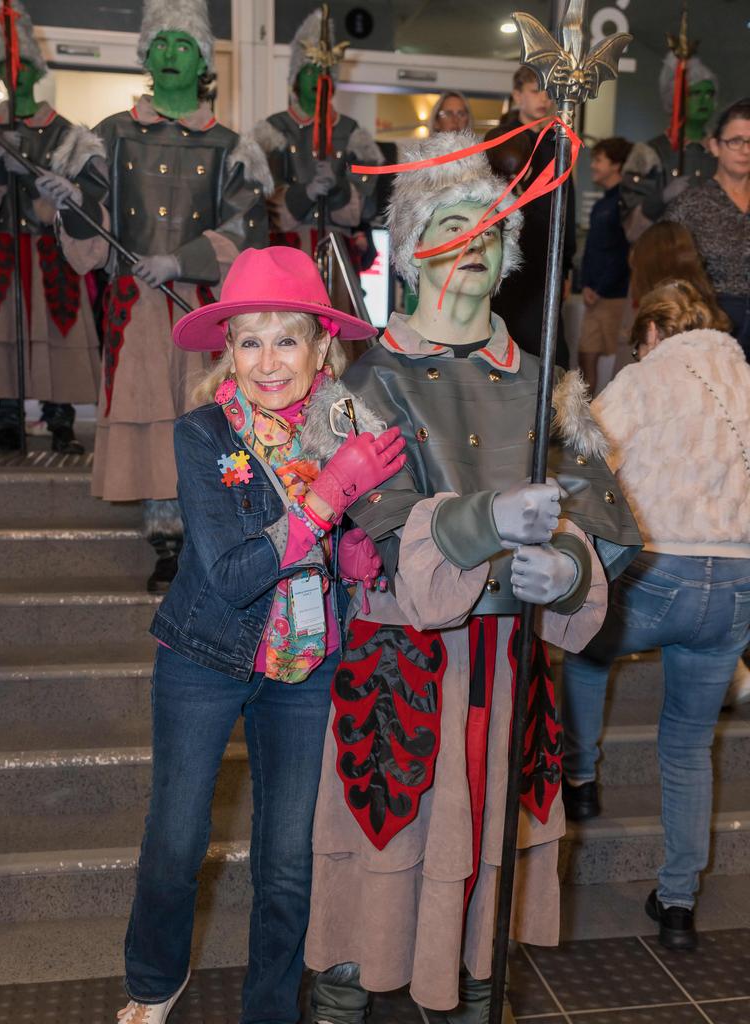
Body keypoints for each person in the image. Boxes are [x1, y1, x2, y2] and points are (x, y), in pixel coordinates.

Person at [303, 130, 640, 1024]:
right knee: (381, 854)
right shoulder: (359, 386)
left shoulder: (551, 391)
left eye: (491, 229)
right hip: (399, 671)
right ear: (411, 256)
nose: (476, 241)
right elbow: (366, 533)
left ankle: (469, 996)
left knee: (485, 875)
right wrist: (483, 523)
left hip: (509, 672)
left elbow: (606, 531)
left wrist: (564, 566)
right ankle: (345, 990)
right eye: (452, 225)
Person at [114, 246, 406, 1024]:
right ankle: (153, 979)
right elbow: (236, 573)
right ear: (228, 352)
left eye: (287, 338)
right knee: (176, 839)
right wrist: (324, 505)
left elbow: (374, 535)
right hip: (205, 654)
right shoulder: (204, 435)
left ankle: (271, 1008)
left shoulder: (351, 426)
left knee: (287, 860)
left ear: (320, 348)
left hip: (306, 665)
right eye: (249, 340)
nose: (269, 360)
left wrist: (359, 551)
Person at [37, 0, 272, 592]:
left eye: (183, 45)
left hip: (203, 309)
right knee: (147, 417)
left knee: (208, 420)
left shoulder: (231, 146)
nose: (170, 54)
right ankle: (164, 537)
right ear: (146, 54)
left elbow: (250, 229)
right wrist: (72, 203)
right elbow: (91, 229)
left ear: (202, 61)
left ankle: (210, 535)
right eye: (161, 43)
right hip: (136, 309)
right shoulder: (108, 136)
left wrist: (185, 259)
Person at [560, 279, 750, 952]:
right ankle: (677, 902)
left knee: (582, 649)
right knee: (689, 745)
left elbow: (586, 462)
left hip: (660, 572)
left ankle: (579, 779)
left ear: (652, 334)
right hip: (736, 583)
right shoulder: (747, 380)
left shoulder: (645, 380)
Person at [0, 0, 101, 454]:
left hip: (52, 251)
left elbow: (71, 203)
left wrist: (26, 170)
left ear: (36, 69)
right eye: (8, 67)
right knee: (2, 333)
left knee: (57, 333)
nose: (17, 76)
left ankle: (61, 419)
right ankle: (8, 416)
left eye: (24, 66)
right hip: (0, 250)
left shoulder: (66, 132)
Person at [253, 8, 383, 271]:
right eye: (308, 70)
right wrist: (305, 193)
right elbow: (263, 206)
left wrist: (338, 191)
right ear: (295, 78)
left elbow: (366, 207)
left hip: (337, 252)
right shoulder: (275, 128)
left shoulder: (350, 132)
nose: (317, 78)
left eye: (322, 71)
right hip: (287, 251)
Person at [492, 66, 576, 368]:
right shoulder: (503, 138)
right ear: (517, 95)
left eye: (547, 91)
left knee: (551, 350)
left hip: (547, 259)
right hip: (511, 253)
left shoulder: (558, 142)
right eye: (534, 90)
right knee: (512, 340)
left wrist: (566, 265)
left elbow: (566, 203)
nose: (543, 98)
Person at [663, 98, 750, 357]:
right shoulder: (689, 204)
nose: (745, 150)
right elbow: (664, 272)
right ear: (714, 145)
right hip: (709, 331)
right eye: (735, 141)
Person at [620, 48, 717, 241]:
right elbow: (631, 227)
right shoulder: (649, 153)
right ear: (675, 99)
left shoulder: (723, 152)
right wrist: (660, 198)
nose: (704, 100)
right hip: (664, 256)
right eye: (695, 93)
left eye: (709, 93)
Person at [578, 137, 633, 395]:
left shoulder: (626, 203)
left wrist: (600, 287)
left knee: (619, 365)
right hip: (594, 296)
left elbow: (623, 253)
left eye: (599, 160)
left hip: (616, 297)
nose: (593, 166)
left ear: (616, 165)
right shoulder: (601, 204)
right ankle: (584, 424)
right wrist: (587, 284)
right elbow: (593, 250)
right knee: (585, 356)